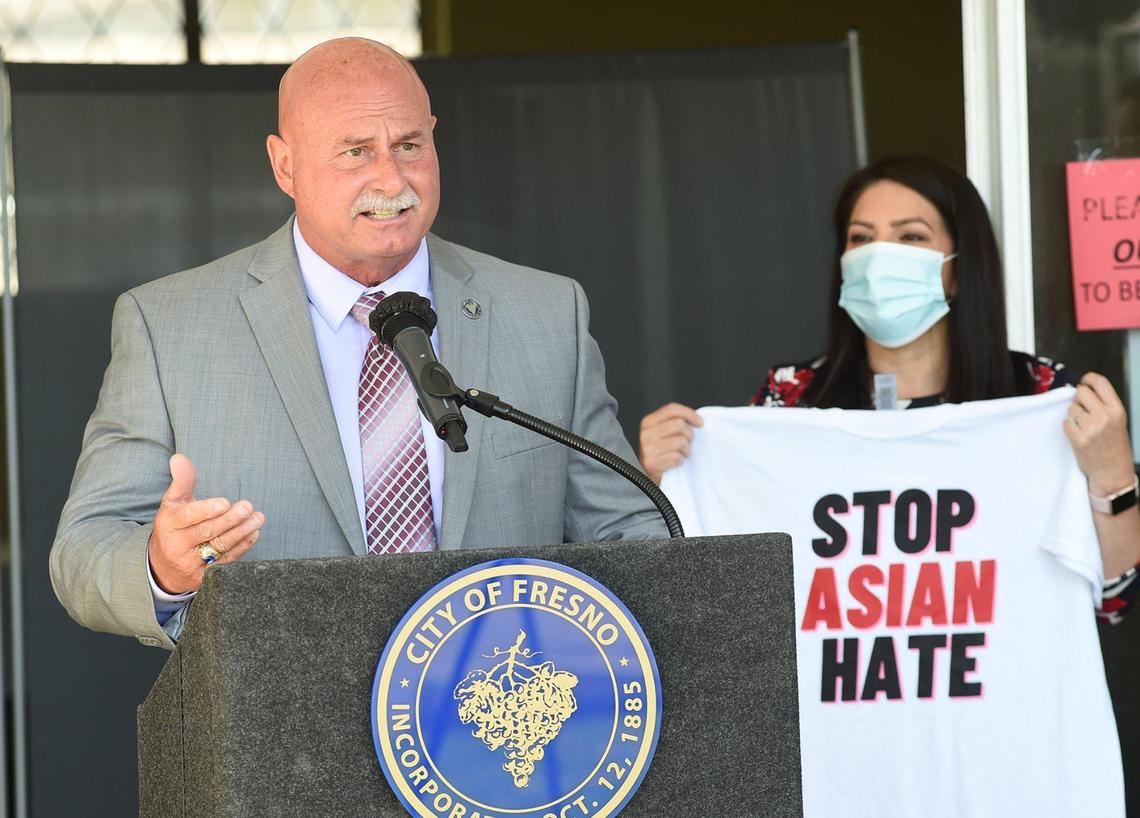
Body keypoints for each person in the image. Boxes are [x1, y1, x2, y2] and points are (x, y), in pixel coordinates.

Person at [50, 38, 667, 650]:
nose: (392, 180)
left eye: (409, 145)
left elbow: (628, 531)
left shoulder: (546, 313)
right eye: (355, 151)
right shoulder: (169, 326)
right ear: (284, 165)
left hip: (499, 720)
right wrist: (163, 566)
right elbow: (84, 550)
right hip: (279, 727)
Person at [639, 154, 1140, 620]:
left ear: (960, 269)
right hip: (840, 702)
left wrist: (1113, 477)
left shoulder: (1036, 395)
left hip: (988, 701)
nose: (879, 258)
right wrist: (662, 488)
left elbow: (1110, 600)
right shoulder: (790, 399)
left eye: (911, 238)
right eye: (861, 239)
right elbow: (726, 592)